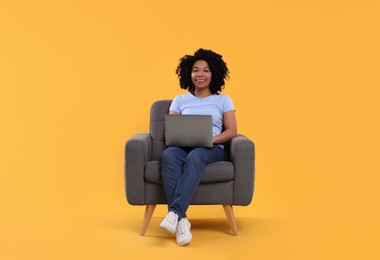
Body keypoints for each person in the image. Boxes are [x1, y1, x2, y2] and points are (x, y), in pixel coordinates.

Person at [160, 48, 237, 246]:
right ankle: (182, 221)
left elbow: (232, 131)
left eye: (206, 70)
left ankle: (174, 212)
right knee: (169, 154)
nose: (200, 74)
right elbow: (171, 130)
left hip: (212, 147)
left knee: (196, 155)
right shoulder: (180, 100)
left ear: (214, 74)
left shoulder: (223, 100)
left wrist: (211, 139)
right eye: (196, 70)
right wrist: (182, 137)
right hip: (184, 145)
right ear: (189, 73)